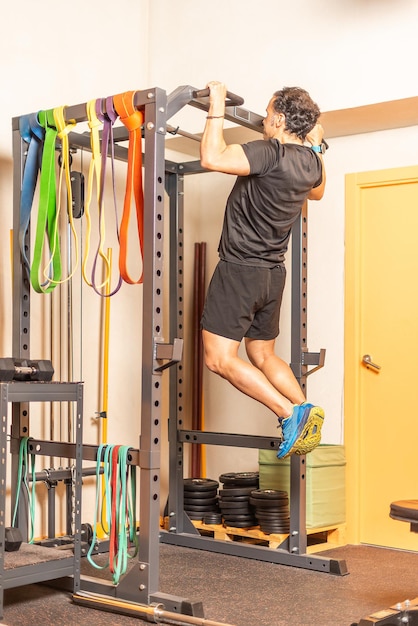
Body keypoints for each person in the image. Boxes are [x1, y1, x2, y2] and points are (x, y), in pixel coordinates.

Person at [200, 81, 326, 459]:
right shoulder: (312, 162)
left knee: (218, 358)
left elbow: (212, 157)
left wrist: (217, 106)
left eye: (269, 113)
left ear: (280, 118)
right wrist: (316, 143)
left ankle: (289, 413)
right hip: (273, 275)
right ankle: (306, 408)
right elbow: (317, 192)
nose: (265, 119)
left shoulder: (271, 153)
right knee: (262, 354)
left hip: (241, 270)